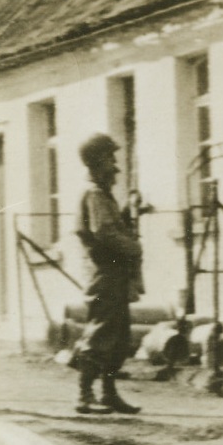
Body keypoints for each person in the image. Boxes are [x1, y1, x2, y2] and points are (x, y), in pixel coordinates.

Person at [70, 133, 143, 415]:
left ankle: (108, 394)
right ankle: (85, 395)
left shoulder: (103, 195)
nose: (115, 166)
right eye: (110, 159)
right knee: (101, 334)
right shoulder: (95, 195)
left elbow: (110, 226)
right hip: (105, 271)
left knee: (118, 337)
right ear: (98, 162)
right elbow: (104, 232)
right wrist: (133, 246)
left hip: (115, 272)